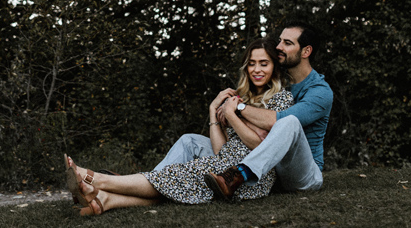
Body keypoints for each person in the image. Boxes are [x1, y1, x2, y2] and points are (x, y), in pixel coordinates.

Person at [64, 37, 294, 216]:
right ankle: (105, 200)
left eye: (264, 64)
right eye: (252, 64)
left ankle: (97, 180)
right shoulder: (238, 97)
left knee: (175, 176)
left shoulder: (281, 100)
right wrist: (214, 109)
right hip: (223, 166)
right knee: (177, 182)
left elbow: (260, 146)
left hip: (249, 179)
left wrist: (233, 116)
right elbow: (221, 150)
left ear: (274, 67)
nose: (257, 70)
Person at [204, 20, 334, 199]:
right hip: (273, 168)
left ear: (306, 51)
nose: (279, 47)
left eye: (287, 43)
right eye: (280, 41)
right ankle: (157, 181)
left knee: (290, 122)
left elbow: (277, 120)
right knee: (191, 141)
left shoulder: (320, 92)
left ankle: (237, 175)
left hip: (303, 175)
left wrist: (237, 108)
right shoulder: (280, 81)